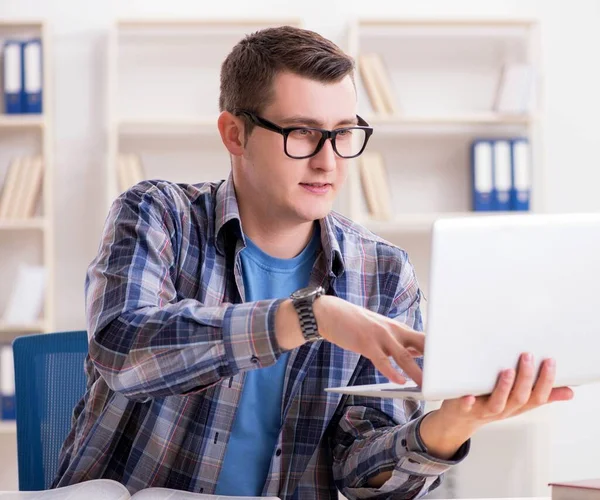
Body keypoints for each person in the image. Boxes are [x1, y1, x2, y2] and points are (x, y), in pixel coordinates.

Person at [53, 25, 573, 499]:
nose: (327, 160)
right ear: (235, 133)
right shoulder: (158, 214)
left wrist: (451, 425)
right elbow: (124, 350)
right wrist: (310, 316)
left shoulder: (384, 274)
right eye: (301, 132)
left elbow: (364, 477)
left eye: (343, 132)